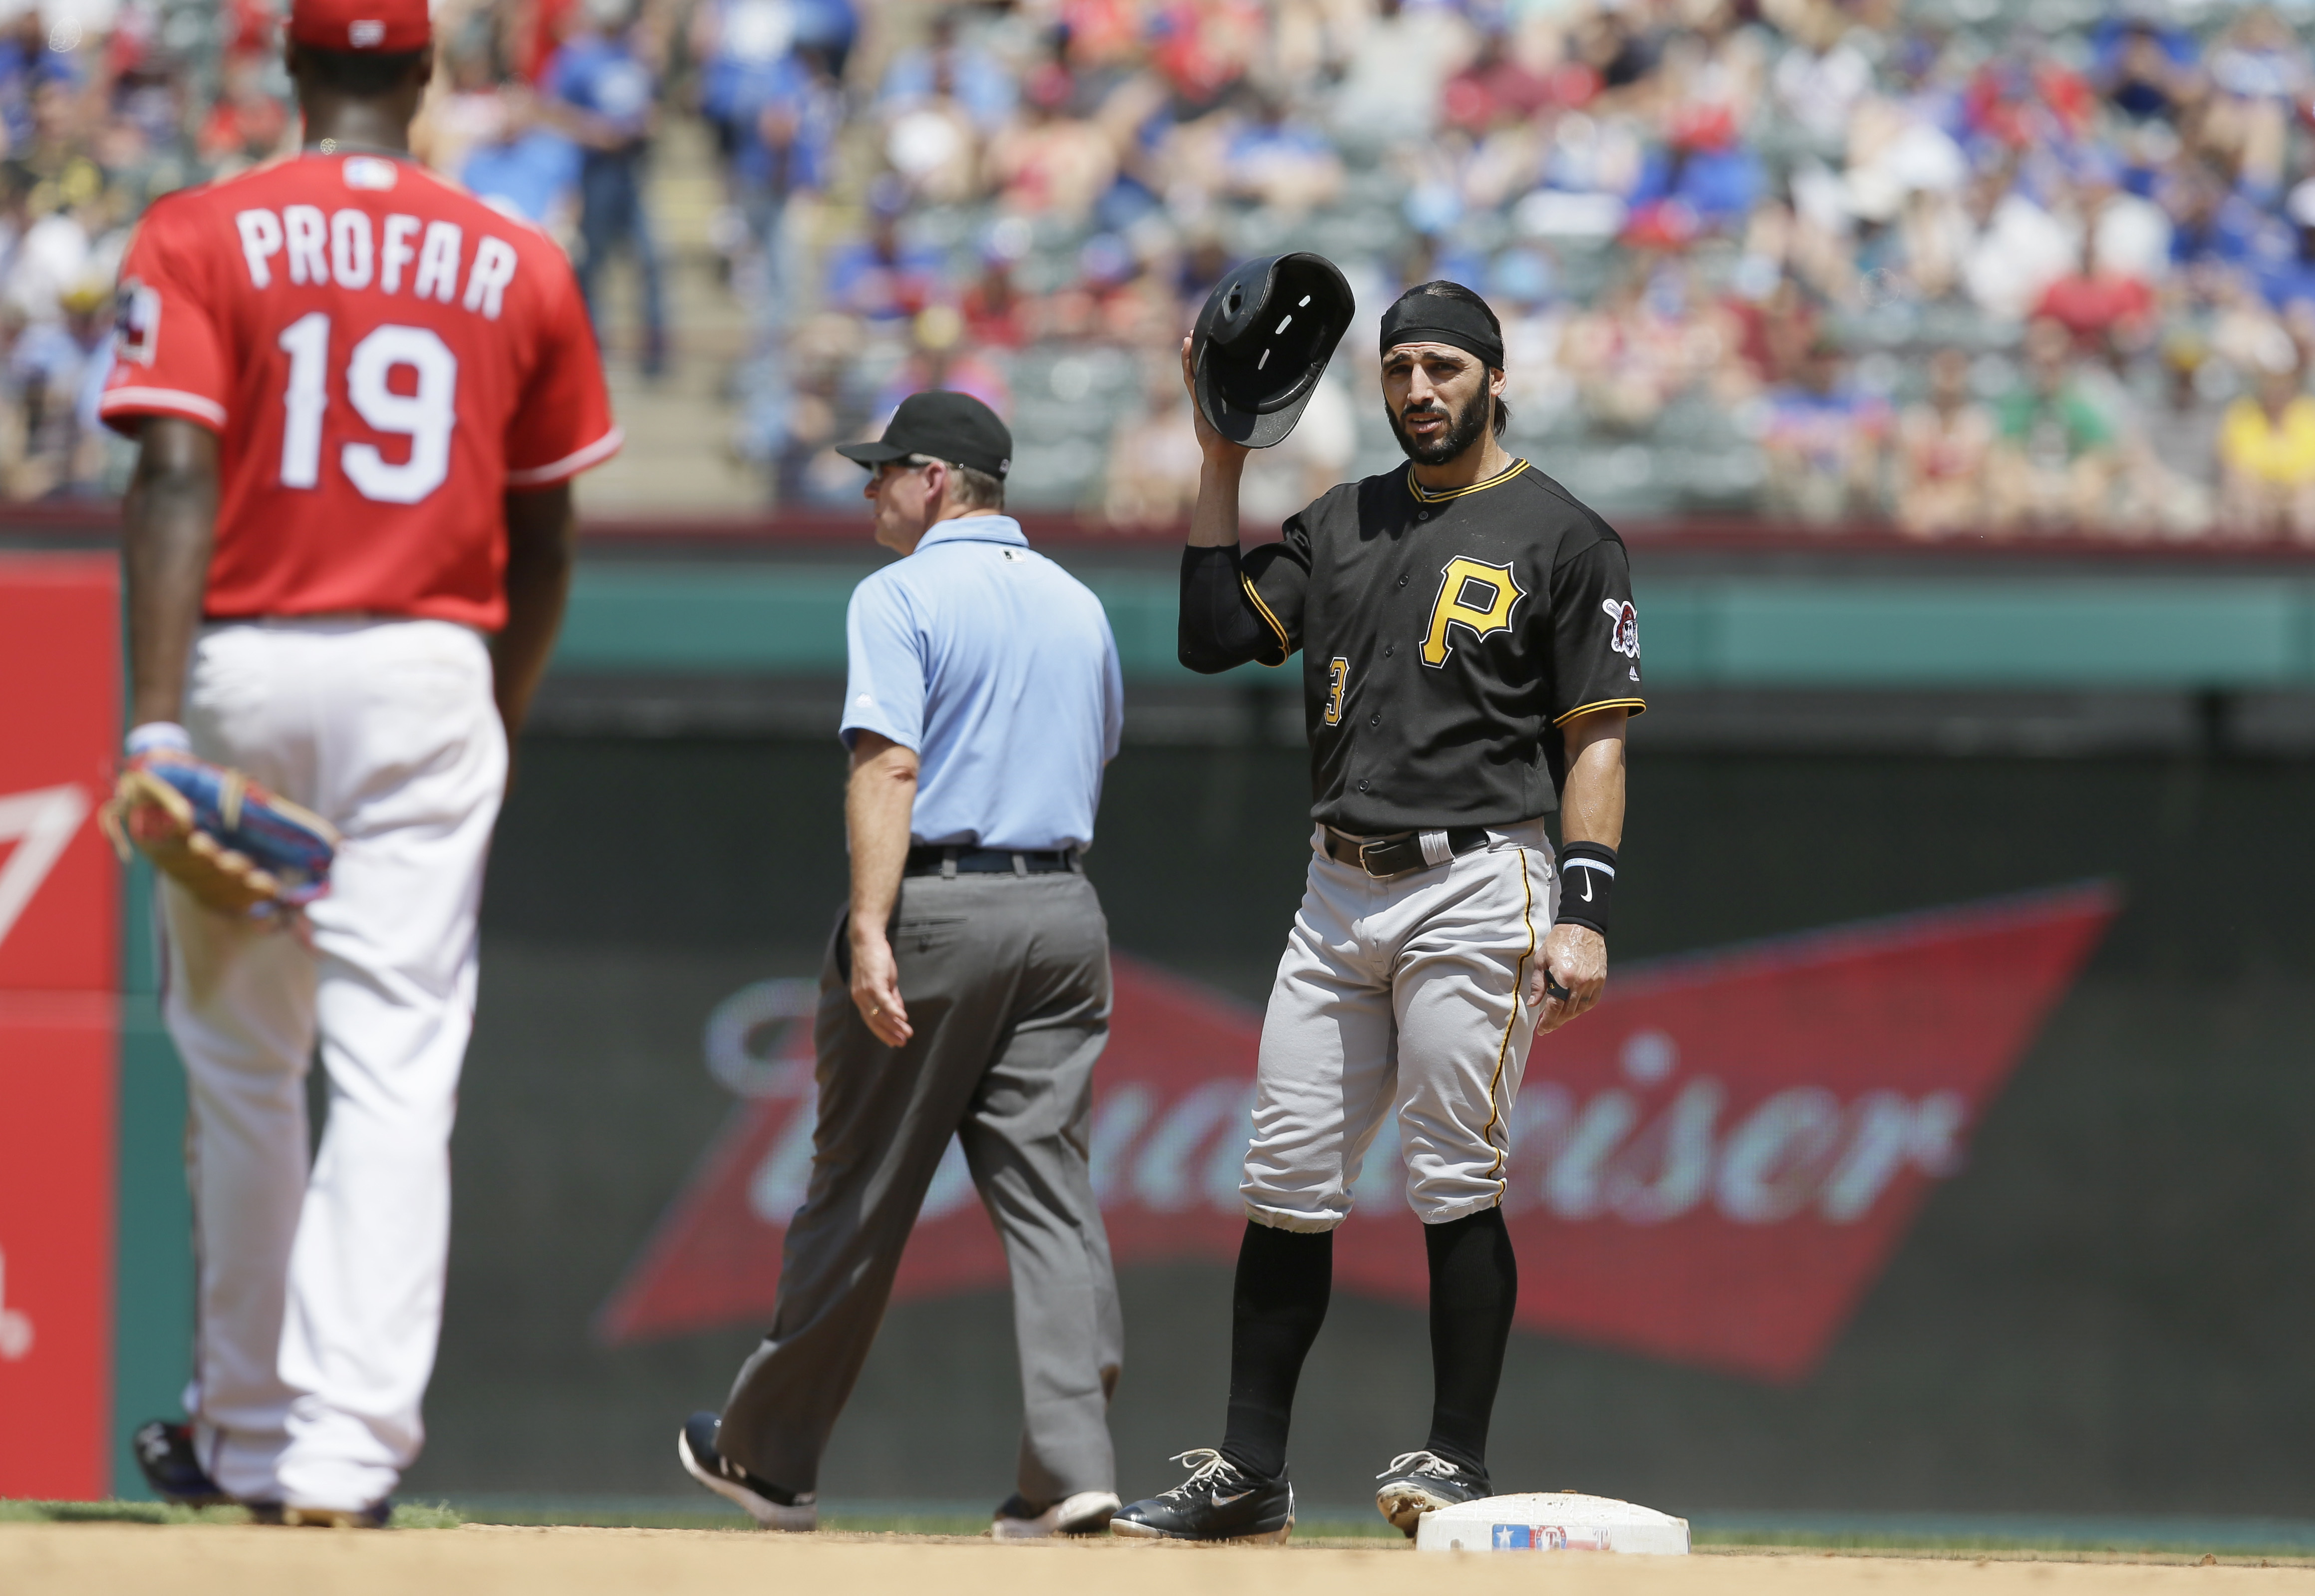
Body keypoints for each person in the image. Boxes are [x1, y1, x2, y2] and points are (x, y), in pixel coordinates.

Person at [103, 0, 618, 1526]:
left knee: (245, 1064)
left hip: (248, 659)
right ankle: (342, 1452)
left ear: (289, 68)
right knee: (395, 1063)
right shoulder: (517, 257)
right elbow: (547, 530)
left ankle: (249, 1431)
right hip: (426, 664)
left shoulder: (200, 230)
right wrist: (496, 716)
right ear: (424, 74)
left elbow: (173, 467)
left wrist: (151, 722)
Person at [1111, 280, 1642, 1543]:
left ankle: (1455, 1459)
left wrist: (1585, 909)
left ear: (1494, 380)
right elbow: (1205, 636)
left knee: (1456, 1174)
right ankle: (1249, 1474)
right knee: (1285, 1179)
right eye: (1400, 368)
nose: (1419, 391)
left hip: (1478, 876)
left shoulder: (1565, 535)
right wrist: (1220, 456)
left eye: (1444, 369)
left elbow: (1600, 744)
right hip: (1335, 884)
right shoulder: (1340, 519)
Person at [677, 391, 1130, 1541]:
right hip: (1066, 907)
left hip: (942, 904)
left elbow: (887, 768)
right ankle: (1070, 1472)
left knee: (861, 1186)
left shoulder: (900, 593)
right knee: (1051, 1197)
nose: (870, 488)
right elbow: (1099, 747)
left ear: (936, 479)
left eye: (884, 470)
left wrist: (873, 923)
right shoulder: (1081, 604)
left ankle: (769, 1462)